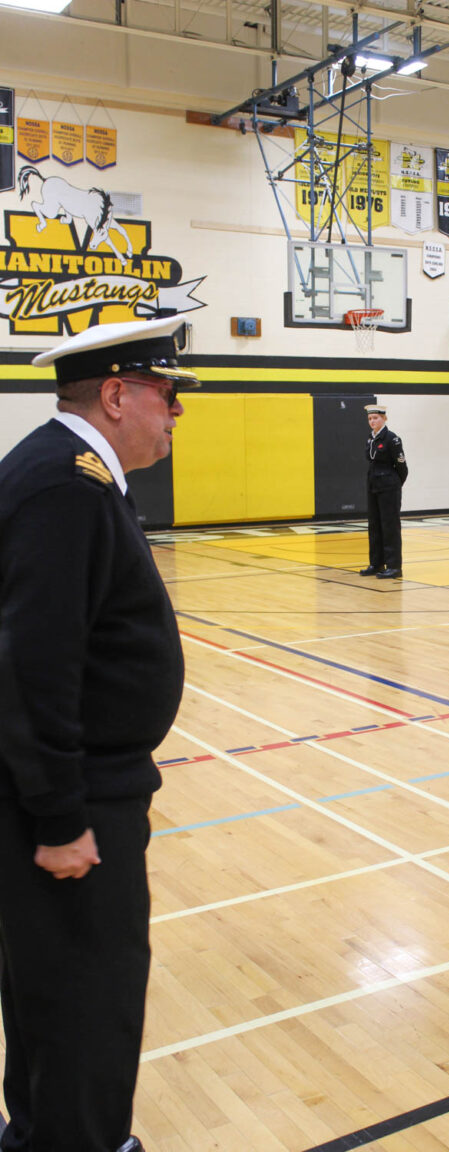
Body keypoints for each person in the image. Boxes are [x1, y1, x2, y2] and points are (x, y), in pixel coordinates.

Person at [0, 315, 199, 1152]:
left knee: (54, 993)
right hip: (79, 796)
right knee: (88, 999)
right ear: (117, 395)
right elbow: (33, 664)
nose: (176, 412)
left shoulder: (66, 472)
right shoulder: (66, 486)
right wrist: (60, 817)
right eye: (167, 393)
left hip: (82, 784)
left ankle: (44, 1134)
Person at [358, 403, 408, 579]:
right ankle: (377, 563)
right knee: (375, 525)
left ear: (384, 418)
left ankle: (394, 566)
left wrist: (394, 485)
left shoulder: (392, 439)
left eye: (376, 418)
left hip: (389, 486)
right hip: (373, 485)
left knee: (390, 526)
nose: (372, 421)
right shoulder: (370, 439)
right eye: (370, 418)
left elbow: (402, 467)